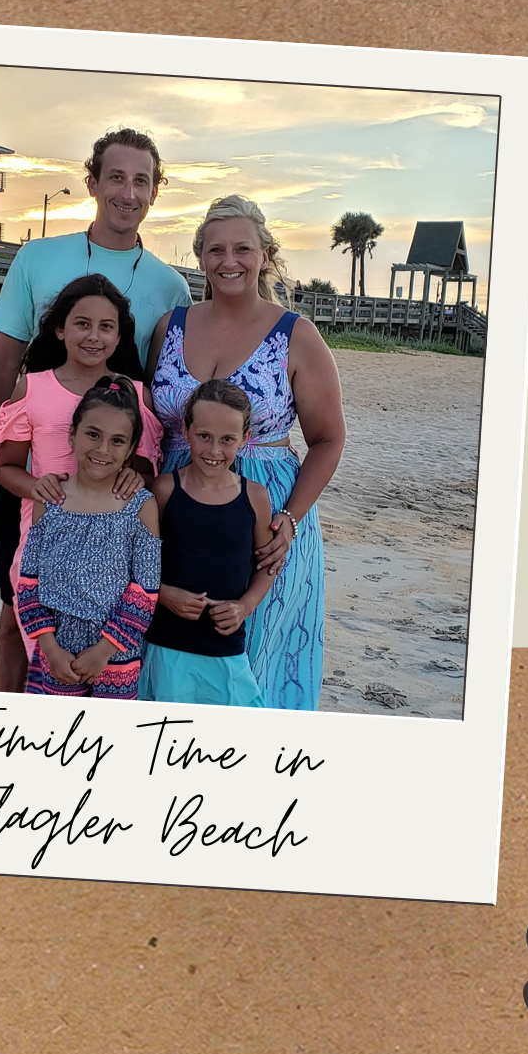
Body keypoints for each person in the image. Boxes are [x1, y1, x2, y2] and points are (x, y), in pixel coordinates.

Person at [0, 128, 193, 693]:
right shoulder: (39, 257)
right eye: (115, 177)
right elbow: (2, 362)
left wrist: (145, 479)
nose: (127, 192)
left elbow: (159, 399)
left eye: (141, 181)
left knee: (105, 613)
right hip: (35, 474)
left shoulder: (171, 287)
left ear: (155, 191)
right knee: (18, 615)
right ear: (93, 183)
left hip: (113, 484)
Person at [146, 195, 345, 711]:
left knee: (256, 661)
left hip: (264, 516)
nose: (228, 260)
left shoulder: (297, 335)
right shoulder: (171, 326)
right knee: (166, 654)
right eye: (215, 250)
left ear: (265, 253)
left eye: (242, 248)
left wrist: (290, 520)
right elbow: (147, 422)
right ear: (200, 256)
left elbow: (328, 439)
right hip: (175, 505)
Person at [0, 275, 161, 633]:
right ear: (59, 329)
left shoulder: (135, 395)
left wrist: (137, 478)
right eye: (82, 324)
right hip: (44, 535)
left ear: (118, 336)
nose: (94, 336)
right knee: (41, 641)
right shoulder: (33, 388)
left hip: (112, 545)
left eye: (106, 327)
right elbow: (6, 467)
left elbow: (146, 472)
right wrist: (37, 486)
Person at [12, 376, 162, 698]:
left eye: (117, 441)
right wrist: (50, 648)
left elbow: (145, 590)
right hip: (56, 653)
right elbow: (29, 584)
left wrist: (104, 652)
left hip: (116, 656)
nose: (102, 449)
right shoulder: (50, 501)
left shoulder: (140, 507)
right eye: (93, 434)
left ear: (131, 449)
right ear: (72, 435)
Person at [139, 380, 276, 706]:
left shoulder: (255, 497)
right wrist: (164, 594)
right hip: (168, 643)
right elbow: (140, 561)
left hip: (226, 647)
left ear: (244, 439)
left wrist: (245, 606)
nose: (214, 450)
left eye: (227, 439)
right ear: (185, 431)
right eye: (204, 436)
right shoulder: (164, 490)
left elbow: (268, 565)